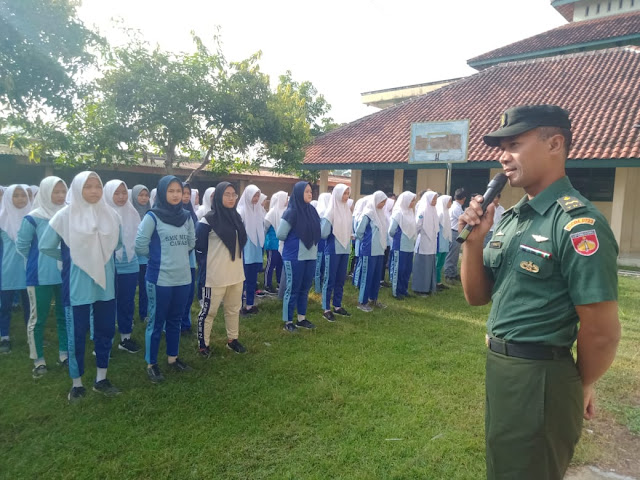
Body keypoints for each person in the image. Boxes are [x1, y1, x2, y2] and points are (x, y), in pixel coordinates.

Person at [459, 105, 620, 480]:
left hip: (541, 379)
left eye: (514, 143)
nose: (502, 155)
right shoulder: (515, 218)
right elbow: (477, 296)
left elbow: (602, 331)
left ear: (556, 144)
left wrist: (579, 383)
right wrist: (474, 241)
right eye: (501, 146)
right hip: (504, 370)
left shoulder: (577, 224)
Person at [40, 171, 122, 402]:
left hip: (105, 285)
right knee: (76, 333)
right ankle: (77, 383)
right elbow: (46, 246)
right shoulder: (64, 216)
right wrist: (72, 257)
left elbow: (120, 242)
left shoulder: (112, 215)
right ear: (77, 189)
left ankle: (101, 378)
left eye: (98, 186)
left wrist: (97, 255)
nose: (94, 191)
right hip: (77, 285)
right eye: (88, 187)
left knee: (105, 330)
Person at [136, 175, 195, 384]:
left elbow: (191, 242)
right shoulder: (152, 217)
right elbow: (140, 245)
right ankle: (151, 364)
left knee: (176, 320)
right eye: (171, 191)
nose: (176, 194)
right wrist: (158, 259)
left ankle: (173, 358)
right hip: (159, 279)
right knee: (156, 320)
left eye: (178, 191)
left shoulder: (186, 216)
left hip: (183, 277)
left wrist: (176, 258)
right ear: (162, 193)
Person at [16, 177, 68, 376]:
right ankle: (38, 360)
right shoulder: (33, 218)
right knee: (38, 318)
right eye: (56, 192)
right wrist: (38, 262)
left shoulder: (67, 213)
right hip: (39, 277)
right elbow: (22, 246)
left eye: (63, 191)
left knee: (64, 316)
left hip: (63, 275)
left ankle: (64, 354)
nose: (60, 196)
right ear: (46, 192)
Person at [195, 182, 247, 357]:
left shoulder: (237, 218)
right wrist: (208, 266)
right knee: (209, 312)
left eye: (234, 194)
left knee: (233, 309)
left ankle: (233, 340)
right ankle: (204, 345)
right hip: (215, 276)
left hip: (236, 273)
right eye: (227, 194)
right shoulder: (207, 220)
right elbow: (199, 248)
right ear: (218, 196)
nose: (231, 198)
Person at [277, 181, 321, 332]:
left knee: (304, 288)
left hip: (310, 255)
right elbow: (280, 234)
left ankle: (301, 318)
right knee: (292, 288)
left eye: (311, 191)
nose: (310, 194)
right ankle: (288, 321)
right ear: (298, 193)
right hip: (295, 256)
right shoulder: (291, 212)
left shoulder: (312, 211)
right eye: (306, 191)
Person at [104, 180, 142, 354]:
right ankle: (105, 341)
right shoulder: (102, 213)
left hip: (130, 263)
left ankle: (125, 338)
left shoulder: (132, 213)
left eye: (124, 192)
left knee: (127, 302)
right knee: (107, 303)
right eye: (116, 193)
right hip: (109, 264)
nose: (121, 197)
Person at [0, 184, 32, 354]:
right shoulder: (1, 219)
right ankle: (4, 336)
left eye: (23, 195)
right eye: (16, 195)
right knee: (4, 305)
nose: (21, 199)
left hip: (28, 267)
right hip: (8, 268)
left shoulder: (32, 217)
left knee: (30, 304)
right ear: (8, 197)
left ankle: (31, 335)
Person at [319, 184, 352, 322]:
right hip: (333, 249)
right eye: (344, 193)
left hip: (345, 248)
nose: (346, 196)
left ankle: (337, 305)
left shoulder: (346, 210)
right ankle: (326, 308)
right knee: (330, 278)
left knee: (340, 278)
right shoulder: (330, 212)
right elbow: (323, 233)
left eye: (348, 193)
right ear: (337, 194)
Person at [355, 190, 388, 312]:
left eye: (385, 202)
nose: (383, 204)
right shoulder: (368, 213)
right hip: (369, 250)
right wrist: (367, 241)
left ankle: (373, 299)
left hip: (379, 249)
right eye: (382, 201)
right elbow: (359, 231)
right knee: (367, 275)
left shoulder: (380, 213)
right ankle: (362, 301)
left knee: (376, 276)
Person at [237, 185, 265, 315]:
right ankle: (239, 305)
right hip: (246, 247)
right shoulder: (241, 210)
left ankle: (250, 304)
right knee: (243, 277)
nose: (256, 198)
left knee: (253, 277)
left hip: (256, 247)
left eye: (258, 195)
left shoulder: (259, 209)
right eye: (254, 195)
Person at [388, 191, 417, 299]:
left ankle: (403, 289)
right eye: (411, 200)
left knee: (407, 270)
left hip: (409, 246)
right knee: (399, 269)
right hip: (400, 246)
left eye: (414, 200)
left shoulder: (410, 212)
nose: (413, 203)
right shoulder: (398, 213)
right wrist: (398, 237)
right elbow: (391, 230)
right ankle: (396, 291)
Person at [131, 184, 151, 322]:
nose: (144, 198)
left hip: (146, 257)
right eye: (141, 195)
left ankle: (144, 314)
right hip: (131, 257)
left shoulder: (151, 212)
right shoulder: (129, 212)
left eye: (146, 195)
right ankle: (129, 316)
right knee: (130, 289)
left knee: (145, 288)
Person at [412, 191, 439, 296]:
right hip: (423, 242)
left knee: (430, 266)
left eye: (436, 199)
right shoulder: (422, 211)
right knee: (422, 266)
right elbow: (417, 227)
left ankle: (428, 287)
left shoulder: (433, 210)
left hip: (431, 243)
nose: (435, 201)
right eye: (433, 199)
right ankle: (419, 288)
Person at [180, 182, 198, 333]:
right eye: (183, 193)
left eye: (188, 194)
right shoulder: (172, 213)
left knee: (189, 292)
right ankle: (174, 323)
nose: (186, 196)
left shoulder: (191, 212)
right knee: (177, 294)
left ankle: (185, 322)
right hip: (177, 261)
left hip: (190, 260)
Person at [264, 191, 287, 294]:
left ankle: (279, 283)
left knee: (280, 264)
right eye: (285, 198)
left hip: (281, 243)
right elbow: (265, 227)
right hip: (272, 244)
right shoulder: (272, 212)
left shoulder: (286, 211)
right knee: (271, 264)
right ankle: (267, 285)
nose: (287, 200)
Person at [443, 187, 466, 283]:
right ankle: (449, 274)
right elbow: (464, 218)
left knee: (455, 255)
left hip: (455, 232)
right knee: (451, 254)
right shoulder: (456, 208)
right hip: (454, 232)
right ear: (464, 198)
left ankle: (453, 273)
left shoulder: (457, 206)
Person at [435, 194, 453, 291]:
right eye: (449, 201)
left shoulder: (446, 213)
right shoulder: (440, 213)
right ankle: (435, 282)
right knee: (437, 263)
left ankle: (439, 282)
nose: (451, 203)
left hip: (444, 241)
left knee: (441, 262)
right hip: (439, 242)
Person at [380, 193, 396, 287]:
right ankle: (379, 279)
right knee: (381, 261)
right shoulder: (384, 214)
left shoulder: (388, 214)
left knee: (385, 260)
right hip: (383, 241)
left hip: (388, 242)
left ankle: (382, 279)